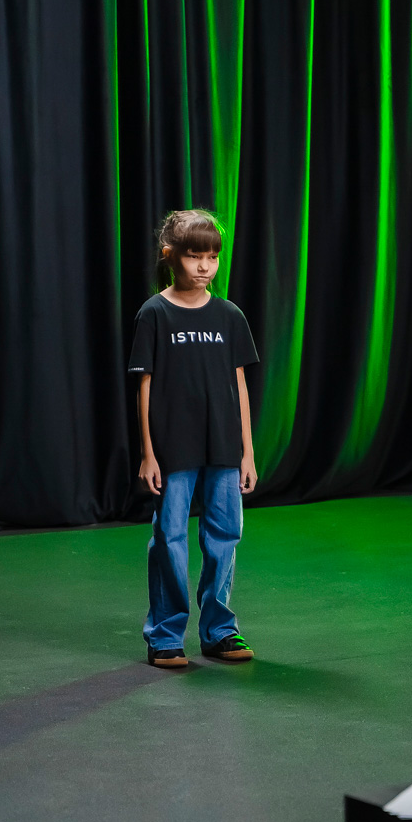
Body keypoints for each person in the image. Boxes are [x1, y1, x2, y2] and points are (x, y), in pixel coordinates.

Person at [128, 209, 259, 668]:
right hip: (172, 450)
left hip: (223, 448)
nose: (204, 266)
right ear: (170, 256)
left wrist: (247, 452)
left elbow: (239, 385)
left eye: (212, 257)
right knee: (169, 537)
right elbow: (144, 386)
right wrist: (148, 453)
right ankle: (165, 634)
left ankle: (219, 630)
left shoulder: (229, 315)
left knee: (225, 535)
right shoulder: (154, 313)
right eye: (194, 256)